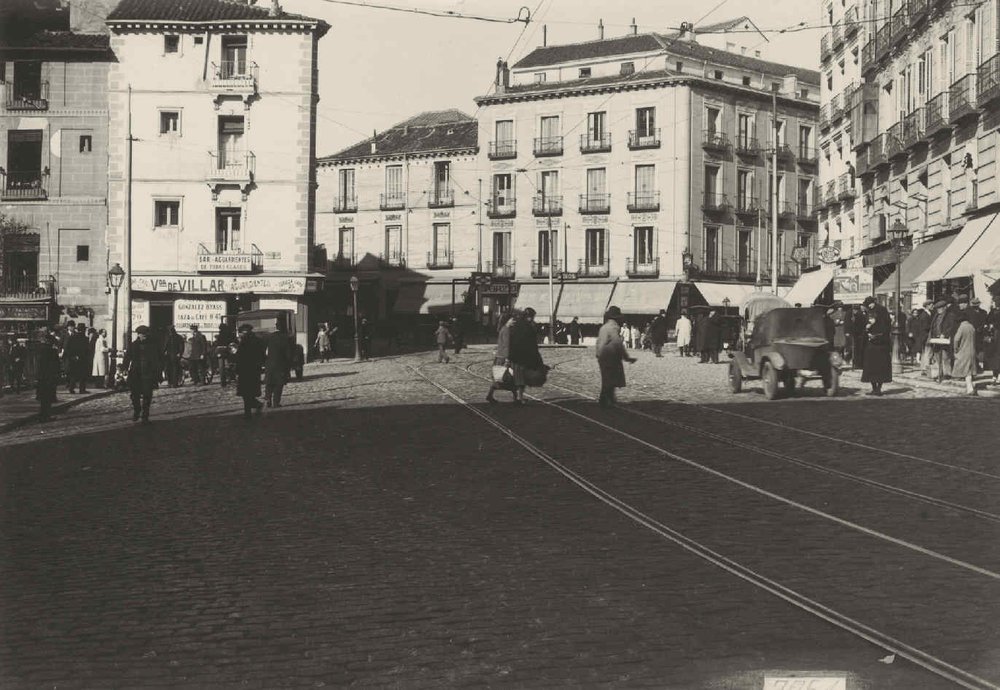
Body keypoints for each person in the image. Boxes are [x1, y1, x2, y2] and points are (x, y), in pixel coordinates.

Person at [596, 306, 637, 408]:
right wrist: (626, 357)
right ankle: (606, 401)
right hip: (611, 356)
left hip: (602, 356)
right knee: (611, 379)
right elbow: (617, 342)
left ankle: (607, 400)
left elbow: (598, 342)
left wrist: (598, 354)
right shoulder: (614, 327)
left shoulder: (604, 327)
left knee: (606, 378)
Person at [507, 306, 545, 405]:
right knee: (521, 379)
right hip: (523, 357)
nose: (532, 319)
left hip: (514, 355)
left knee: (517, 377)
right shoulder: (528, 327)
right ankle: (520, 398)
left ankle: (516, 397)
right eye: (532, 317)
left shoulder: (516, 325)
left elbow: (510, 339)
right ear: (529, 317)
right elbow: (532, 343)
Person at [123, 325, 160, 422]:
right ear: (138, 335)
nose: (144, 336)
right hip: (136, 372)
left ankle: (145, 415)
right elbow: (127, 357)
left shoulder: (153, 345)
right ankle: (137, 409)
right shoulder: (133, 345)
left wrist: (158, 373)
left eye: (146, 334)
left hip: (148, 373)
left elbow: (157, 359)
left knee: (148, 395)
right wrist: (124, 368)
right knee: (134, 394)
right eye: (142, 334)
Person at [861, 296, 892, 396]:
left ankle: (878, 388)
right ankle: (875, 388)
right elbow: (866, 324)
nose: (869, 306)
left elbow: (886, 326)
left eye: (870, 304)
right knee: (872, 367)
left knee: (880, 367)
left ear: (873, 302)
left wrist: (875, 333)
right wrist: (867, 329)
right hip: (873, 343)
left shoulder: (881, 311)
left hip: (880, 343)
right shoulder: (869, 311)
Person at [234, 324, 265, 418]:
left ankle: (249, 412)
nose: (242, 334)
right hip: (250, 370)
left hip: (249, 370)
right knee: (247, 393)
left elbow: (239, 357)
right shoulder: (253, 341)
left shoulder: (249, 342)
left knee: (247, 393)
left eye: (243, 332)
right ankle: (252, 409)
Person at [486, 310, 517, 404]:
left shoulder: (503, 328)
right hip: (504, 357)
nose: (514, 321)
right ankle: (517, 398)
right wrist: (508, 358)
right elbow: (506, 345)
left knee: (500, 378)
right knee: (510, 377)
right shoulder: (507, 330)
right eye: (512, 319)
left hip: (499, 357)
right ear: (508, 320)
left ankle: (490, 395)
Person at [264, 319, 293, 408]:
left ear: (275, 327)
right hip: (280, 364)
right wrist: (289, 364)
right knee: (278, 384)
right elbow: (288, 353)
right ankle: (276, 402)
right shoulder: (285, 338)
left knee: (269, 383)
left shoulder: (269, 337)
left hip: (269, 363)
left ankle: (267, 399)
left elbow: (265, 351)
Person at [927, 299, 957, 380]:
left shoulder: (950, 315)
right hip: (936, 339)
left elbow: (951, 327)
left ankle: (947, 374)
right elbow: (933, 327)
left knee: (945, 357)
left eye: (940, 308)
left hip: (945, 340)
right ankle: (938, 374)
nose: (938, 310)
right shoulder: (936, 316)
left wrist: (945, 334)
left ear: (944, 308)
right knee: (936, 357)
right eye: (937, 308)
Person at [35, 333, 61, 422]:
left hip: (42, 377)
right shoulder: (52, 351)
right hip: (50, 377)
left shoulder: (40, 350)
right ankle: (46, 415)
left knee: (43, 397)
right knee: (48, 397)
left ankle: (43, 414)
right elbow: (56, 365)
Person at [952, 310, 978, 396]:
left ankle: (970, 389)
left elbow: (956, 339)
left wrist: (955, 349)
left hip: (963, 351)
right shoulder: (972, 327)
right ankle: (970, 388)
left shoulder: (962, 327)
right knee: (969, 370)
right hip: (972, 351)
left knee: (965, 370)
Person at [64, 322, 90, 393]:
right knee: (82, 375)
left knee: (73, 374)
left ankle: (71, 388)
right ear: (84, 330)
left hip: (74, 358)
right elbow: (87, 350)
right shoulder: (85, 339)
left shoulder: (72, 337)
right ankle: (82, 389)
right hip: (82, 359)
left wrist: (72, 356)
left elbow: (67, 348)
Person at [969, 297, 988, 372]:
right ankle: (975, 366)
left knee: (980, 350)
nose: (975, 306)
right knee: (973, 350)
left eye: (976, 304)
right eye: (974, 304)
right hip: (972, 334)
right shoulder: (969, 313)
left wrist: (981, 328)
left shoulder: (984, 312)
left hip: (981, 334)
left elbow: (985, 322)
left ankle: (981, 365)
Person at [985, 302, 1000, 384]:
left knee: (996, 356)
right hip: (994, 337)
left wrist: (991, 326)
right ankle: (995, 375)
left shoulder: (993, 312)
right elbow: (987, 321)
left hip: (996, 336)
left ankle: (996, 376)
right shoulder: (992, 312)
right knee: (995, 356)